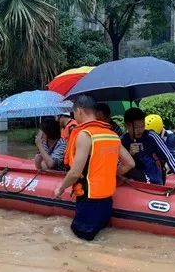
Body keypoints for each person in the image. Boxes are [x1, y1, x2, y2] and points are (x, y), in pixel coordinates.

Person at [54, 95, 135, 241]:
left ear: (79, 111)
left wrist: (60, 188)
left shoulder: (85, 135)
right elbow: (130, 163)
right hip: (107, 201)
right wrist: (111, 173)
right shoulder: (112, 135)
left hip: (90, 200)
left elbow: (75, 173)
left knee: (79, 241)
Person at [120, 107, 175, 188]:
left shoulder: (151, 136)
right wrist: (129, 154)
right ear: (127, 126)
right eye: (136, 127)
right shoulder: (122, 141)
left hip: (153, 179)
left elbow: (169, 156)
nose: (140, 130)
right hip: (133, 182)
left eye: (142, 126)